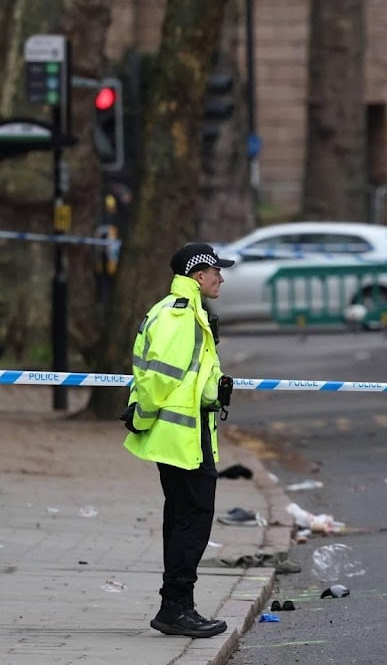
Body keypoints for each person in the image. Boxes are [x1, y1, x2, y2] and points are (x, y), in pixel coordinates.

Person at [122, 242, 236, 637]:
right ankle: (176, 608)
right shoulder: (180, 316)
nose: (221, 277)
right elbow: (158, 377)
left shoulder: (186, 313)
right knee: (192, 519)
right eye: (216, 271)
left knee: (183, 517)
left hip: (186, 434)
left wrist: (213, 392)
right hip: (182, 438)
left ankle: (175, 605)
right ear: (198, 275)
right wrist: (140, 417)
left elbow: (187, 379)